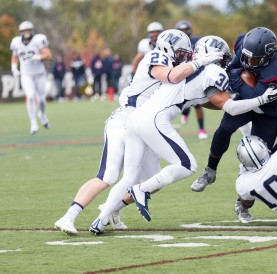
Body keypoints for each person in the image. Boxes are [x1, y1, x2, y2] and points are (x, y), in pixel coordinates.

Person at [89, 35, 277, 234]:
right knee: (188, 165)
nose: (225, 62)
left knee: (129, 177)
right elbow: (230, 107)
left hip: (135, 119)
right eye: (223, 57)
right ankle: (141, 190)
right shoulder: (212, 71)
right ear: (213, 54)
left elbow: (209, 101)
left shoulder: (188, 67)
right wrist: (261, 100)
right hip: (154, 120)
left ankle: (100, 221)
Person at [55, 30, 224, 236]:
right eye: (180, 53)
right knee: (108, 175)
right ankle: (68, 216)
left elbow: (197, 96)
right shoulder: (157, 57)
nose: (183, 58)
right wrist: (199, 63)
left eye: (185, 54)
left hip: (144, 125)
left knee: (153, 180)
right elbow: (171, 76)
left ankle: (112, 210)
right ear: (166, 48)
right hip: (125, 120)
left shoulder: (177, 65)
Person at [191, 27, 277, 192]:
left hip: (269, 107)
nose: (247, 62)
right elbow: (234, 66)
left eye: (253, 61)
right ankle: (210, 171)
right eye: (245, 57)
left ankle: (244, 199)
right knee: (223, 130)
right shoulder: (243, 42)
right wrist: (235, 73)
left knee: (260, 157)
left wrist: (235, 78)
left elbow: (255, 96)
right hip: (252, 95)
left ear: (267, 57)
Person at [10, 21, 52, 135]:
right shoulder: (16, 42)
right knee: (30, 96)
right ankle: (33, 123)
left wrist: (37, 57)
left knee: (42, 99)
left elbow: (48, 55)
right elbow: (14, 57)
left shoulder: (38, 39)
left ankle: (42, 114)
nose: (27, 32)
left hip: (39, 74)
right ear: (21, 32)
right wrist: (14, 67)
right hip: (26, 74)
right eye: (24, 31)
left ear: (32, 30)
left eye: (29, 30)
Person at [175, 20, 208, 139]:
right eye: (181, 30)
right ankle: (185, 113)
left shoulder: (197, 41)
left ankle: (202, 130)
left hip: (195, 74)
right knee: (180, 101)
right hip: (180, 75)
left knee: (197, 103)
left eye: (185, 30)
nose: (184, 32)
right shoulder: (175, 43)